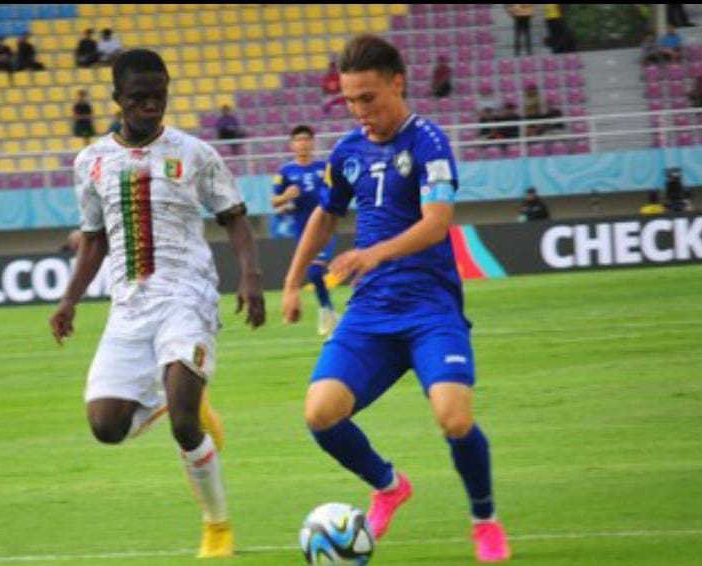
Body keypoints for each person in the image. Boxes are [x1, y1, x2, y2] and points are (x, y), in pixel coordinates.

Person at [280, 35, 511, 563]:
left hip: (430, 310)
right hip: (372, 312)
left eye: (368, 98)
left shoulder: (428, 142)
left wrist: (375, 253)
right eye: (350, 101)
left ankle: (485, 519)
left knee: (454, 418)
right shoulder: (347, 151)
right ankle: (388, 486)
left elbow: (437, 224)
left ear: (397, 83)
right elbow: (323, 215)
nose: (361, 112)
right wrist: (292, 282)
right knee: (320, 413)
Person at [50, 48, 265, 559]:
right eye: (139, 98)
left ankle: (217, 526)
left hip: (186, 295)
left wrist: (251, 277)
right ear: (117, 100)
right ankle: (176, 393)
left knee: (185, 424)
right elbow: (94, 239)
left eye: (159, 96)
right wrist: (69, 300)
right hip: (127, 307)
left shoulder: (195, 153)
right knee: (106, 427)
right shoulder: (91, 162)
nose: (151, 106)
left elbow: (234, 217)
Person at [271, 125, 337, 336]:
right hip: (302, 230)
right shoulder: (285, 172)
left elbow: (336, 193)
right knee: (313, 273)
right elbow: (274, 201)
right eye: (298, 140)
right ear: (292, 145)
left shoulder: (324, 168)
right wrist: (286, 197)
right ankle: (329, 311)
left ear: (312, 143)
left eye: (306, 140)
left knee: (316, 271)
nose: (303, 144)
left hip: (325, 227)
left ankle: (327, 312)